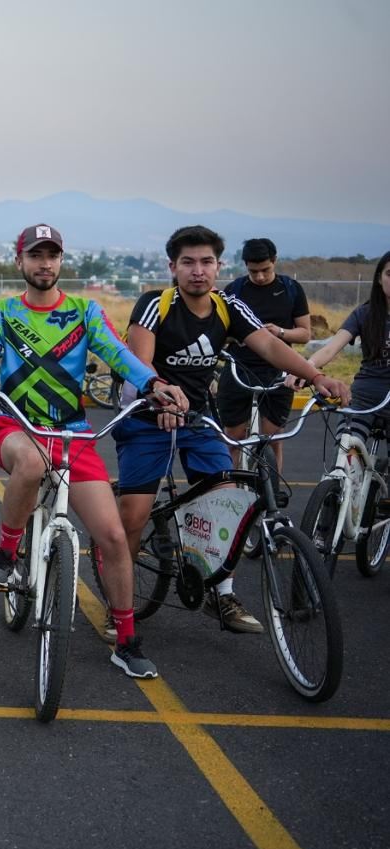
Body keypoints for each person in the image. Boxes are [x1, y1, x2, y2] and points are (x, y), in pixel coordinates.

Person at [0, 224, 185, 678]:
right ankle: (5, 557)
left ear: (61, 262)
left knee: (115, 536)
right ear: (19, 261)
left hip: (72, 433)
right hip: (16, 424)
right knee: (29, 462)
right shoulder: (3, 313)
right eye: (35, 255)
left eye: (52, 255)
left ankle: (126, 640)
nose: (44, 263)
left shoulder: (85, 312)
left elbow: (121, 355)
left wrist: (153, 383)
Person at [114, 225, 347, 634]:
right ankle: (121, 611)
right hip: (146, 415)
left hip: (198, 417)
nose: (198, 271)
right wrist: (160, 398)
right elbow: (139, 363)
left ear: (219, 266)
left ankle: (221, 593)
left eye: (206, 262)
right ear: (173, 267)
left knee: (227, 500)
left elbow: (272, 346)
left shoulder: (229, 307)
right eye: (188, 262)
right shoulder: (156, 304)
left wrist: (316, 376)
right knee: (132, 517)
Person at [216, 238, 312, 471]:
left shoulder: (290, 288)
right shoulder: (235, 290)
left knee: (272, 438)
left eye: (265, 270)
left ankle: (272, 492)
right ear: (245, 266)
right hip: (240, 367)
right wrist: (237, 336)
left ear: (275, 261)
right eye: (253, 271)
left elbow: (305, 334)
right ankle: (233, 487)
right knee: (233, 437)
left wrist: (279, 332)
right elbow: (220, 332)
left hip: (277, 369)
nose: (259, 276)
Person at [297, 249, 390, 439]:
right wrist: (306, 368)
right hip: (364, 397)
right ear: (379, 278)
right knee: (345, 448)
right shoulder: (364, 313)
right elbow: (331, 347)